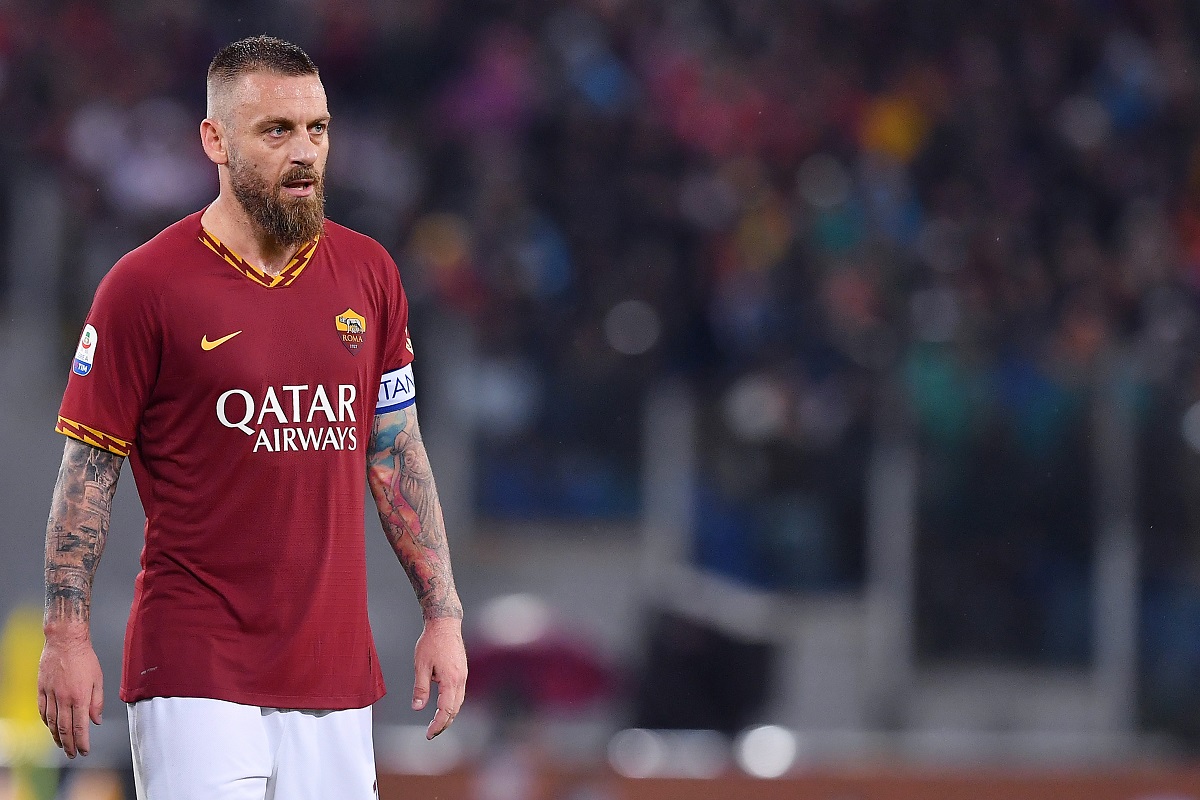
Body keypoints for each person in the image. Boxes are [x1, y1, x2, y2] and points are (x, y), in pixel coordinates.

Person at [35, 35, 467, 799]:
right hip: (195, 665)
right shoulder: (144, 286)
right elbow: (87, 475)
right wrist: (66, 635)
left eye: (317, 129)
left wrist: (444, 616)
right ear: (216, 140)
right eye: (277, 131)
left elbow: (395, 452)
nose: (304, 152)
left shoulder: (369, 274)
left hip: (334, 669)